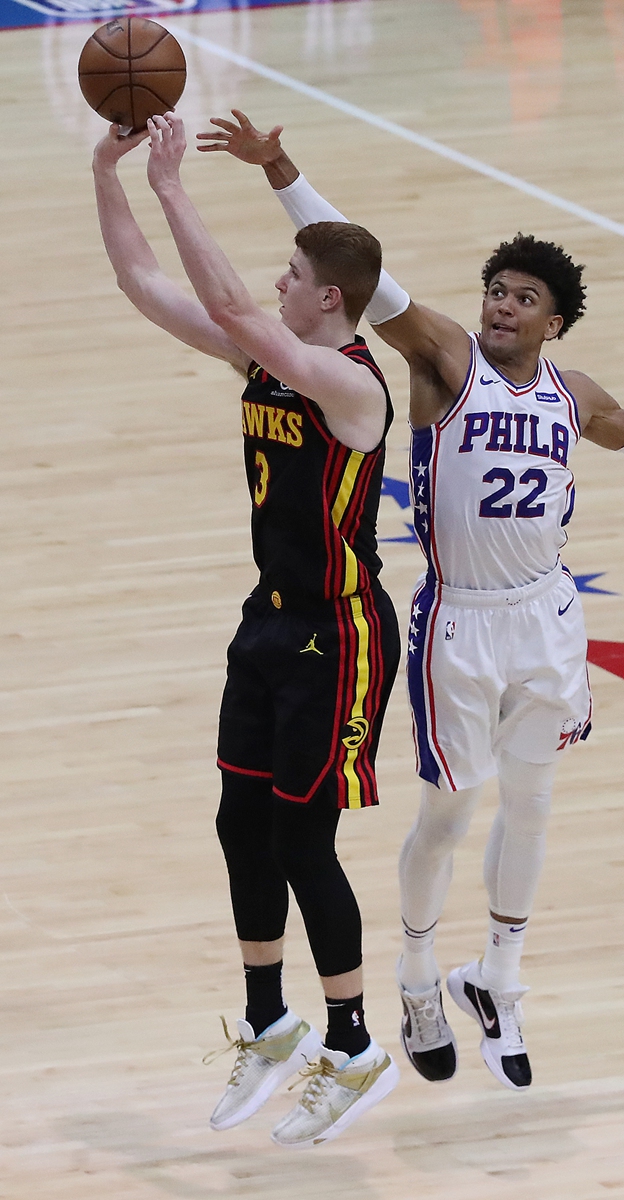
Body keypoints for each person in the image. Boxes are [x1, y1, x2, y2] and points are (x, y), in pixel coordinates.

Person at [197, 111, 624, 1093]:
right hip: (458, 620)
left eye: (523, 298)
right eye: (494, 292)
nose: (501, 307)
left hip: (547, 617)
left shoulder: (573, 394)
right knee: (450, 814)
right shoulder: (444, 360)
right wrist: (280, 168)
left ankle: (497, 975)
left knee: (536, 804)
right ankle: (417, 976)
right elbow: (358, 269)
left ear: (556, 321)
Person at [92, 112, 401, 1147]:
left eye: (291, 272)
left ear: (330, 297)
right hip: (268, 625)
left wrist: (177, 185)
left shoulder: (351, 384)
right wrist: (111, 175)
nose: (276, 284)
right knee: (239, 824)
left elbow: (229, 300)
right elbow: (150, 290)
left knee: (304, 840)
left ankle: (355, 1045)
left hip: (341, 636)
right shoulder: (269, 364)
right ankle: (270, 1021)